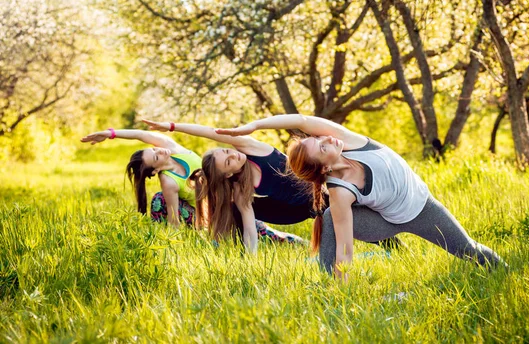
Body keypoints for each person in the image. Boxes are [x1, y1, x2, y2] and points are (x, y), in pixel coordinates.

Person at [217, 114, 506, 279]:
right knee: (330, 215)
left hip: (424, 210)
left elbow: (303, 120)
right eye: (320, 145)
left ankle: (508, 273)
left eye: (318, 138)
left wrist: (256, 126)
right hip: (384, 223)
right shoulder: (340, 191)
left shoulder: (350, 142)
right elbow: (345, 248)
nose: (326, 138)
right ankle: (329, 285)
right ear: (325, 166)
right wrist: (342, 289)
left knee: (470, 250)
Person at [80, 127, 305, 246]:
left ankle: (291, 241)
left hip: (228, 204)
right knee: (159, 201)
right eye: (155, 157)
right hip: (208, 216)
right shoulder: (168, 181)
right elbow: (174, 220)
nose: (159, 151)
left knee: (262, 232)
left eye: (154, 149)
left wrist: (110, 134)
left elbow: (142, 134)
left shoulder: (173, 148)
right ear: (156, 170)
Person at [141, 120, 325, 253]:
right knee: (235, 208)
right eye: (228, 162)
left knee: (331, 211)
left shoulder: (251, 148)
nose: (234, 156)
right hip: (295, 211)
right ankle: (226, 242)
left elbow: (211, 131)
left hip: (319, 193)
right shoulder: (239, 187)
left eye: (228, 152)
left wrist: (173, 127)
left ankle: (291, 240)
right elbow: (250, 229)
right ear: (228, 173)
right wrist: (251, 260)